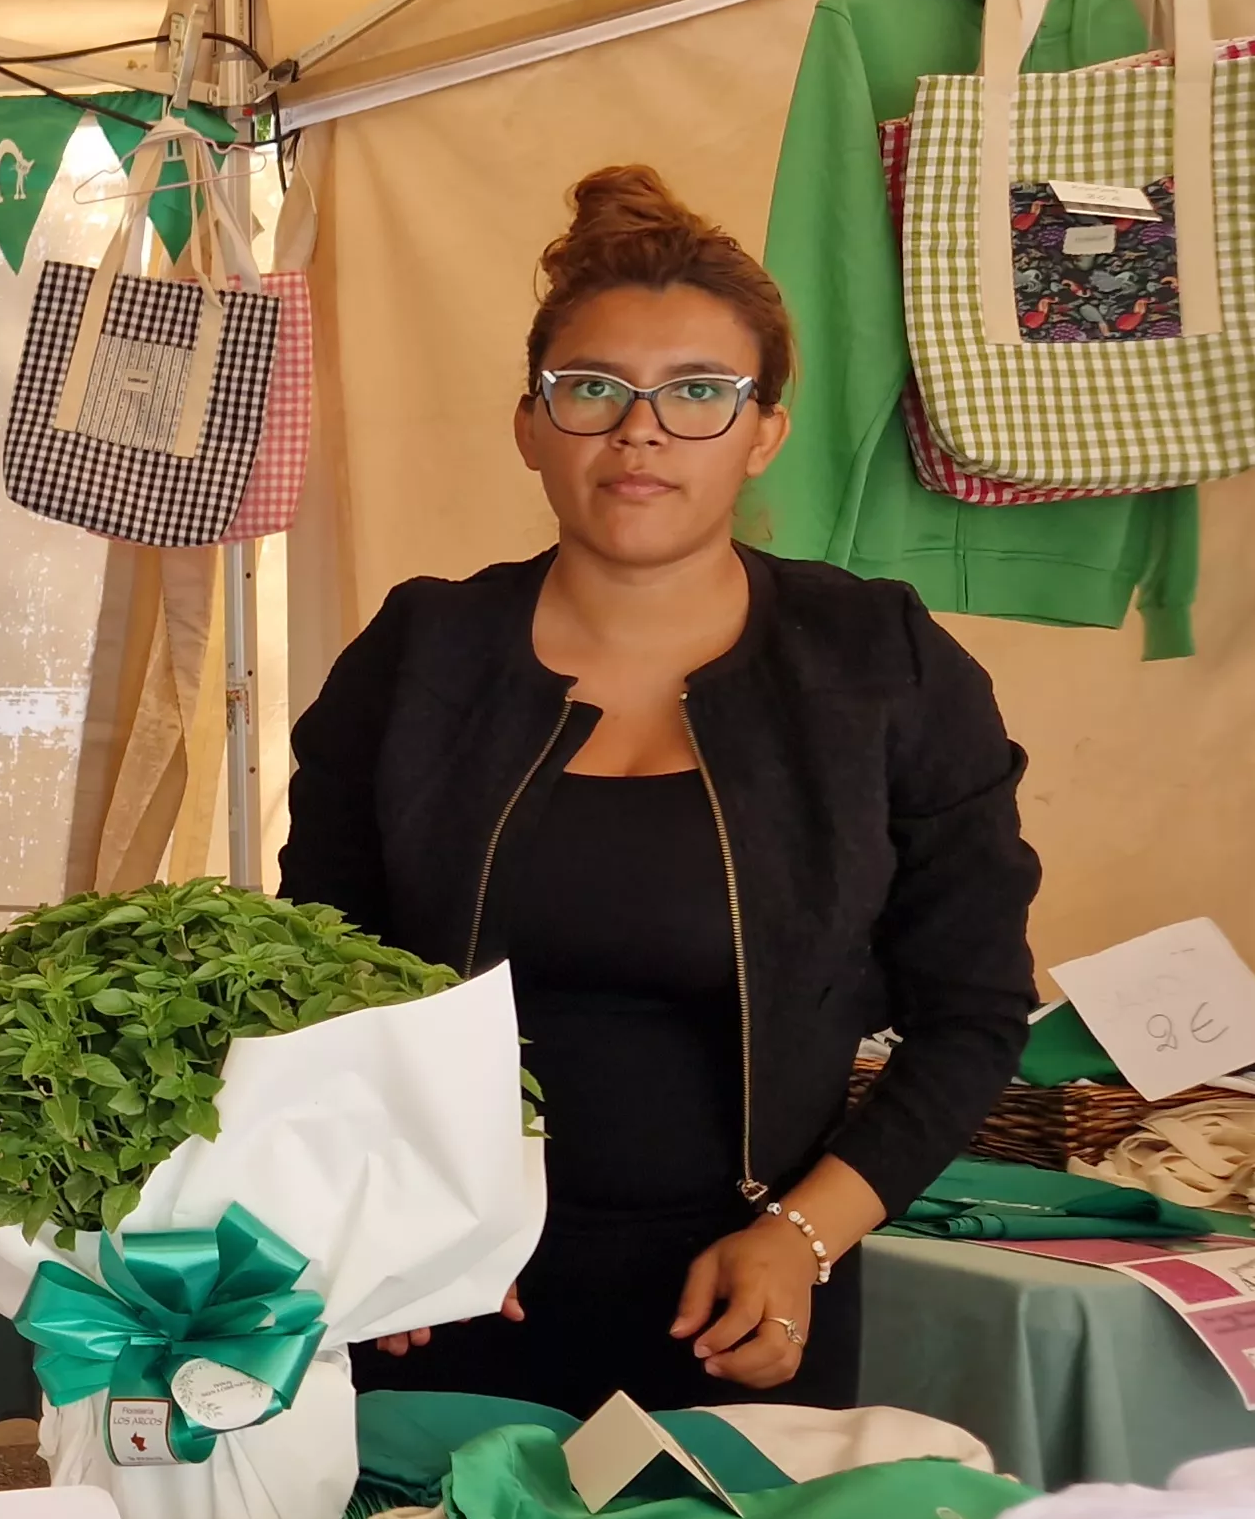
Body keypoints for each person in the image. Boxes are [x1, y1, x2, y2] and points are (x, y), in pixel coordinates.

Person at [285, 165, 1038, 1413]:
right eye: (592, 389)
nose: (639, 432)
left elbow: (974, 1011)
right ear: (530, 425)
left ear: (762, 433)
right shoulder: (420, 657)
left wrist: (801, 1236)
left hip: (742, 1301)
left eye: (698, 393)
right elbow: (314, 979)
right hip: (439, 1295)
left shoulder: (878, 665)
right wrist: (381, 1208)